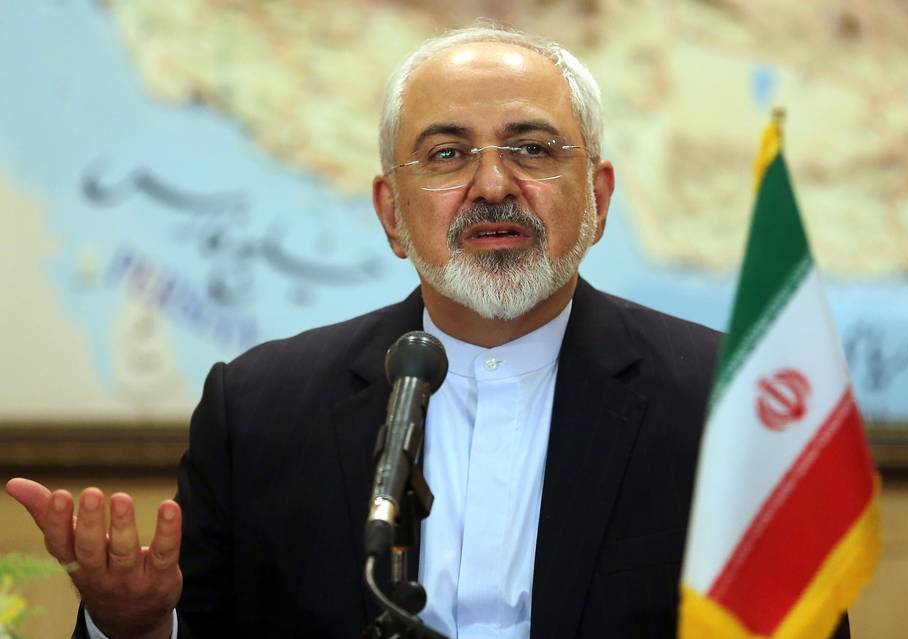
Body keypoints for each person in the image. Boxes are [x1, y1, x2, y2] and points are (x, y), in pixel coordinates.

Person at [6, 26, 851, 639]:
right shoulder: (262, 408)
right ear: (390, 213)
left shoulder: (722, 402)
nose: (493, 185)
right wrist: (134, 625)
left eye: (532, 148)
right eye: (446, 154)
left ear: (596, 198)